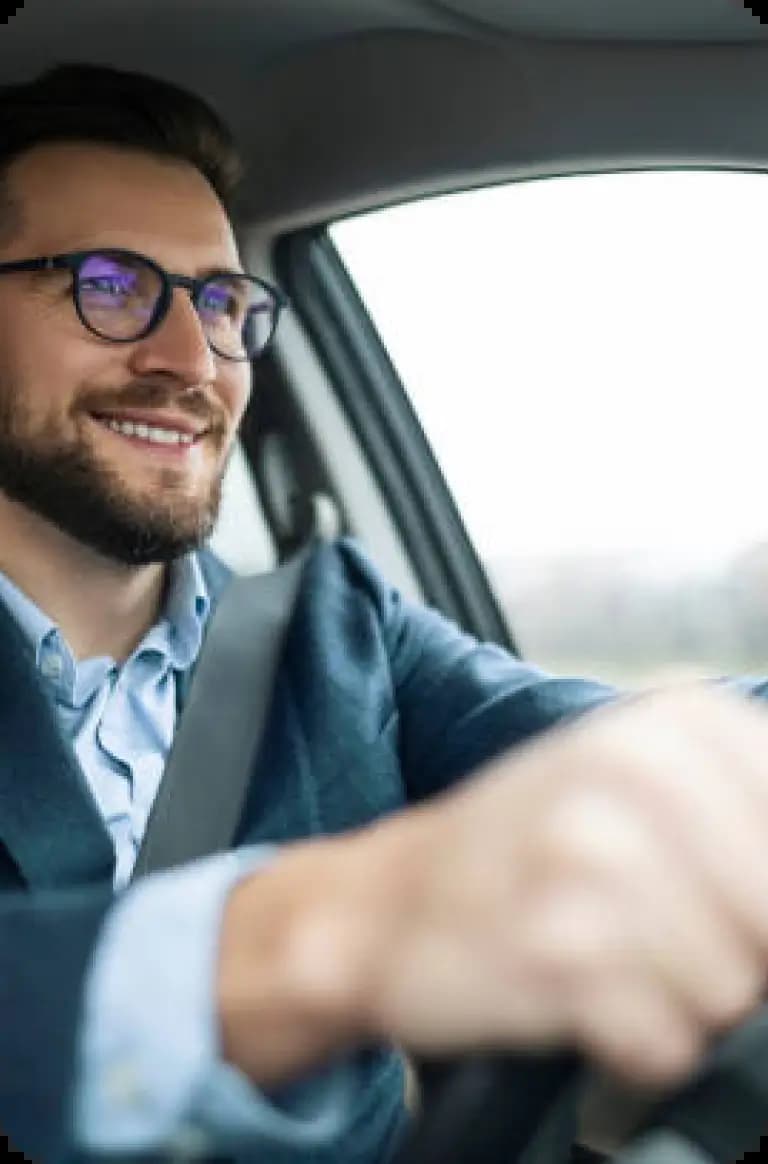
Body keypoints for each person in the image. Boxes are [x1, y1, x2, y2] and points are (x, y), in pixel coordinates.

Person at [1, 62, 768, 1164]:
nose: (191, 362)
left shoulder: (335, 629)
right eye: (110, 286)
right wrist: (319, 937)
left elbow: (610, 751)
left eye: (222, 303)